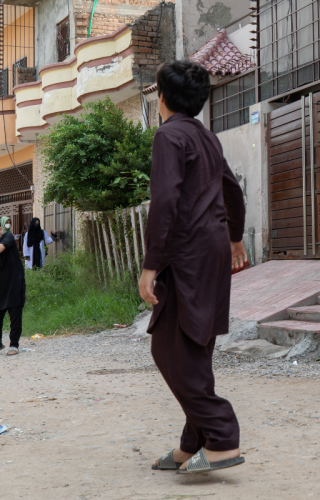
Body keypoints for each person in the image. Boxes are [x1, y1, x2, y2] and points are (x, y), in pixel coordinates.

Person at [139, 61, 247, 474]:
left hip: (187, 254)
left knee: (170, 348)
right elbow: (232, 189)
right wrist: (235, 237)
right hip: (214, 249)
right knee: (194, 346)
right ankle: (193, 440)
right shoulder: (205, 136)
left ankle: (221, 436)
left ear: (162, 98)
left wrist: (151, 266)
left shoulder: (168, 135)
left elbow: (165, 203)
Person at [0, 216, 26, 356]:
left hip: (14, 283)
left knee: (15, 315)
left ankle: (14, 345)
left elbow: (1, 248)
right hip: (2, 285)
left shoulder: (8, 237)